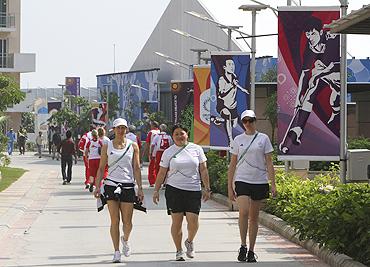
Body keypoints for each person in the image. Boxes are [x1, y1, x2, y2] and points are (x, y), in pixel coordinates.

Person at [279, 16, 340, 154]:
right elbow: (304, 74)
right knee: (311, 88)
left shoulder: (331, 38)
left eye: (313, 33)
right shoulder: (310, 47)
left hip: (337, 73)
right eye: (307, 34)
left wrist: (317, 75)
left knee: (334, 100)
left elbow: (334, 65)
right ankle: (298, 130)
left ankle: (336, 114)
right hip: (323, 73)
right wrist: (297, 100)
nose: (310, 37)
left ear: (320, 32)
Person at [152, 124, 211, 261]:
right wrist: (156, 190)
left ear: (187, 134)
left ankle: (189, 241)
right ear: (173, 137)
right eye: (176, 134)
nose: (179, 136)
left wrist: (207, 187)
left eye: (182, 133)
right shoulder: (168, 152)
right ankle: (178, 250)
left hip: (193, 189)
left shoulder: (196, 149)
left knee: (193, 221)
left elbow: (203, 169)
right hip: (174, 190)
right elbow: (162, 172)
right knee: (176, 221)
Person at [227, 110, 276, 263]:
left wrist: (272, 183)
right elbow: (233, 163)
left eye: (250, 120)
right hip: (242, 180)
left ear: (255, 121)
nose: (248, 123)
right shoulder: (238, 139)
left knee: (254, 217)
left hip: (260, 181)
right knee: (244, 212)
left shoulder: (263, 138)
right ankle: (242, 245)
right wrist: (229, 186)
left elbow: (269, 161)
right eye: (245, 121)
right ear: (242, 123)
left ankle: (251, 250)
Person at [93, 118, 144, 263]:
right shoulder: (107, 146)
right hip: (111, 184)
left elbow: (136, 167)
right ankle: (116, 251)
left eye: (123, 128)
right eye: (118, 128)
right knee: (114, 220)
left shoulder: (133, 146)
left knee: (127, 222)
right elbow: (102, 167)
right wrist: (97, 186)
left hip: (127, 185)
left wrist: (139, 188)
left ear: (127, 129)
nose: (121, 131)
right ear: (113, 130)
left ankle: (125, 239)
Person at [213, 58, 249, 145]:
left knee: (234, 125)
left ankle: (219, 119)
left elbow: (236, 85)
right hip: (223, 104)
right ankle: (230, 140)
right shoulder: (222, 80)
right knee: (228, 116)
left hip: (233, 105)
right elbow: (221, 94)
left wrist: (243, 90)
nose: (232, 67)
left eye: (233, 64)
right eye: (229, 65)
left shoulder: (234, 77)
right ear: (224, 67)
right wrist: (231, 86)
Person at [143, 121, 160, 186]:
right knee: (158, 167)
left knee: (151, 167)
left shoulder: (151, 132)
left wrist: (145, 152)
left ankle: (152, 182)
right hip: (159, 152)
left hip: (153, 152)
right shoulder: (160, 132)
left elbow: (148, 143)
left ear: (153, 125)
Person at [78, 124, 95, 189]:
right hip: (95, 156)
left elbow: (80, 145)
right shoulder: (97, 135)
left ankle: (88, 182)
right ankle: (93, 182)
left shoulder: (85, 135)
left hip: (86, 155)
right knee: (95, 169)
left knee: (87, 169)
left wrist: (84, 152)